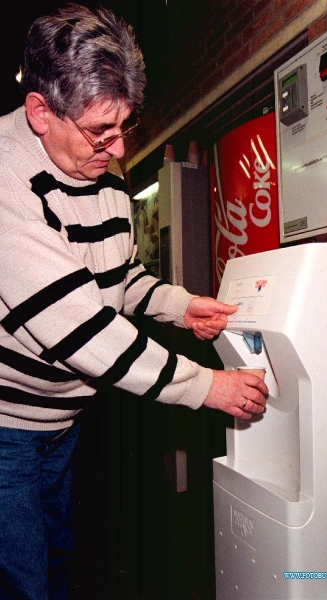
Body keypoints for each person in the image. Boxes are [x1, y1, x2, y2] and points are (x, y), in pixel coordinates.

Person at [0, 3, 268, 599]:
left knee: (59, 555)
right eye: (102, 132)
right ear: (40, 112)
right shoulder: (5, 183)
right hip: (4, 427)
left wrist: (177, 305)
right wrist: (207, 386)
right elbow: (82, 329)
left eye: (126, 126)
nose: (119, 151)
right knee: (23, 582)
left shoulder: (98, 169)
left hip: (61, 421)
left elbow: (118, 280)